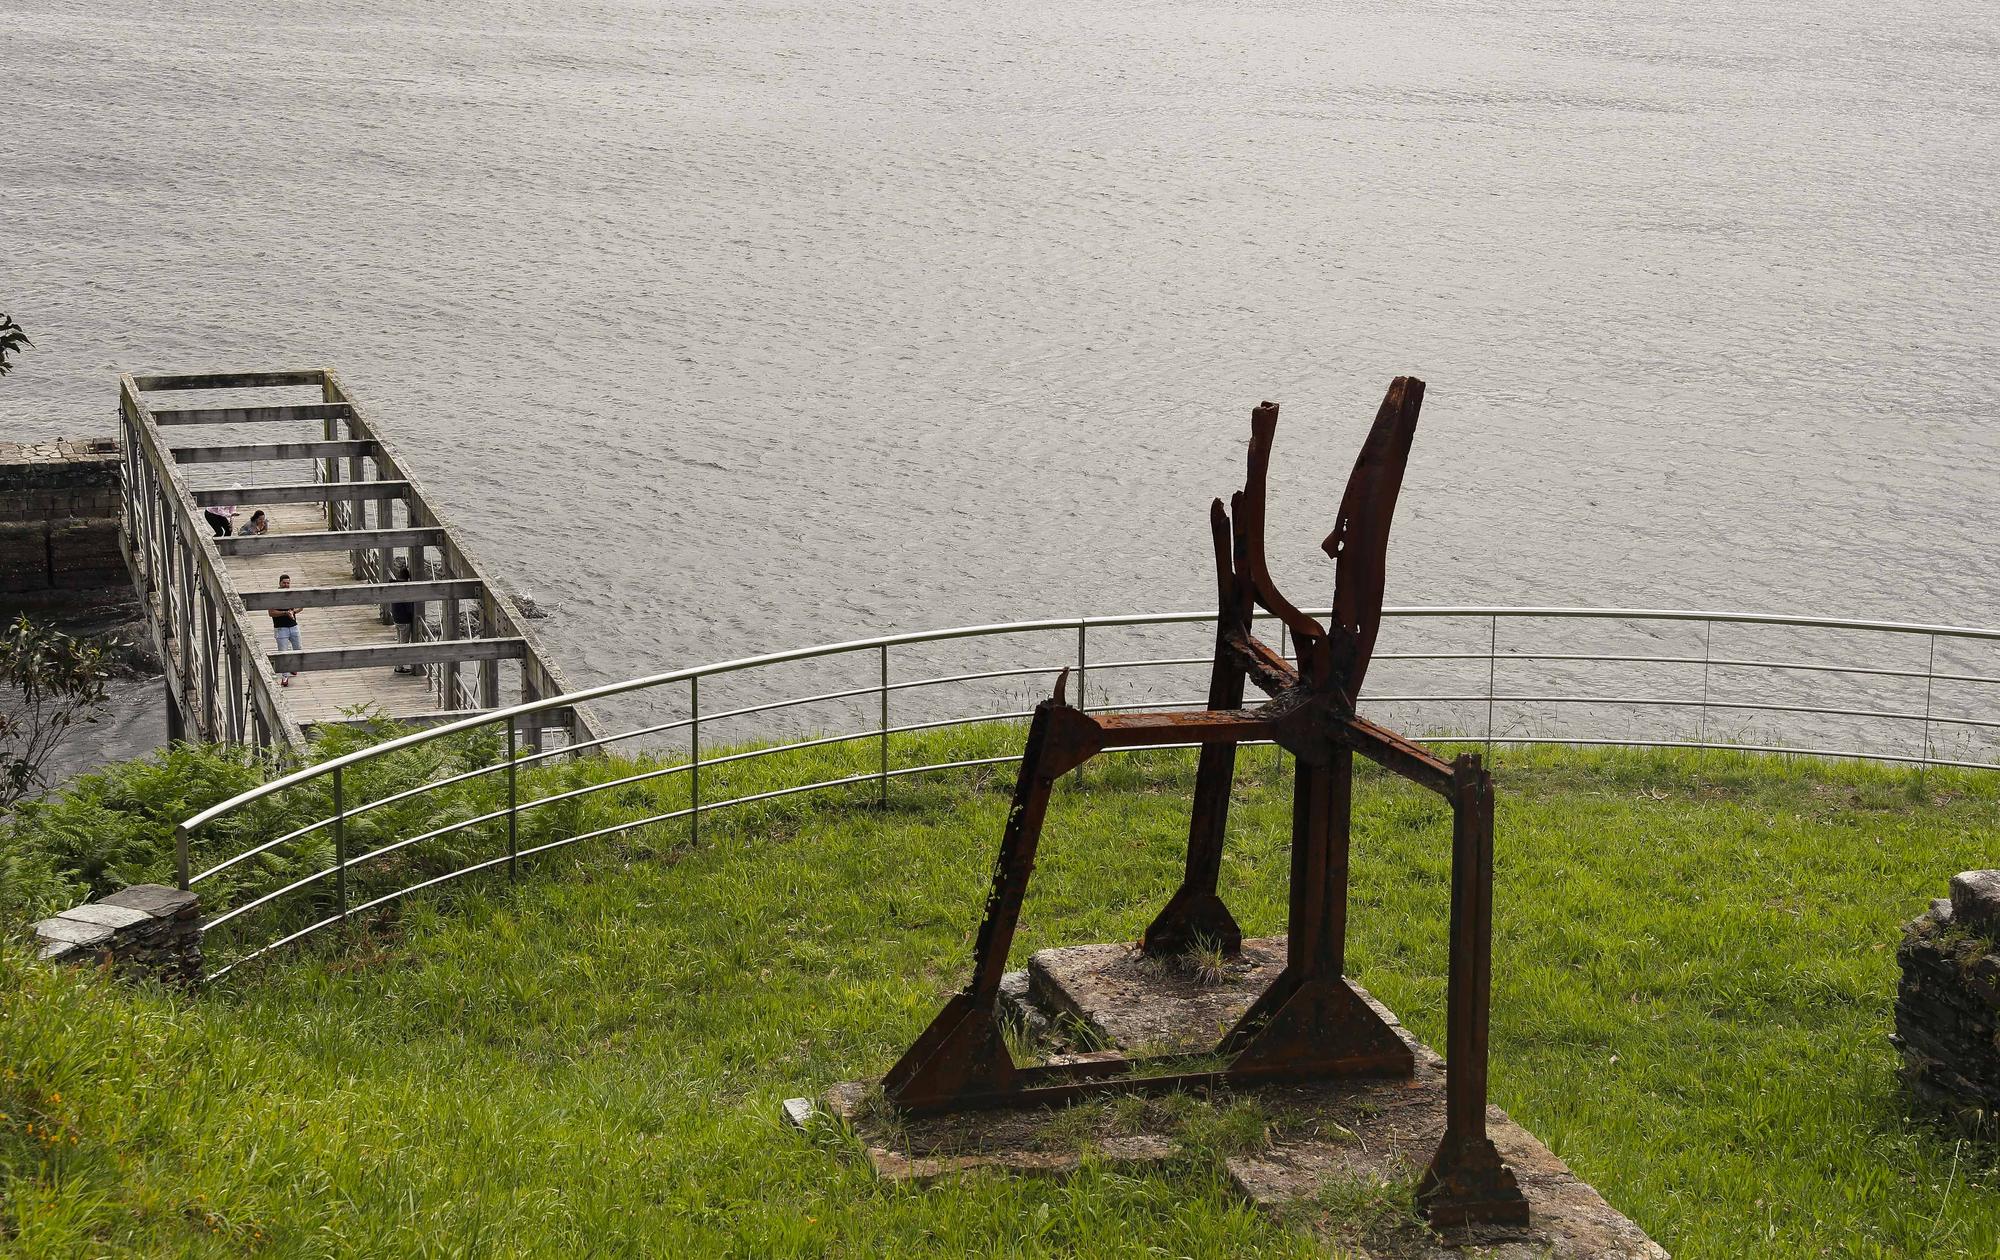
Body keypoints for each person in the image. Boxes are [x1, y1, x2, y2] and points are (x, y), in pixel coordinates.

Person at [270, 573, 304, 687]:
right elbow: (271, 613)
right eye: (284, 583)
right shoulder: (274, 595)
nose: (286, 585)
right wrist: (285, 612)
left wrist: (293, 612)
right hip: (281, 628)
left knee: (298, 649)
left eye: (288, 583)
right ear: (279, 583)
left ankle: (293, 667)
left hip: (293, 626)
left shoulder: (292, 594)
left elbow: (301, 606)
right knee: (283, 653)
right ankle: (284, 677)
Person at [389, 559, 420, 674]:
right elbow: (409, 608)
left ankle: (398, 665)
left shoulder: (393, 586)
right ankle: (398, 667)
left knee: (400, 643)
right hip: (404, 621)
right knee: (404, 645)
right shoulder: (404, 590)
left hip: (396, 619)